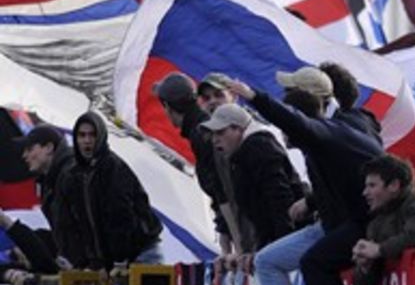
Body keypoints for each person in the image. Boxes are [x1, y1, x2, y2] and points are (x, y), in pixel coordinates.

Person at [226, 68, 383, 285]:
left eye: (290, 93)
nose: (284, 136)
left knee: (314, 263)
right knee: (266, 261)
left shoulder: (332, 130)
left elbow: (297, 123)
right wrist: (310, 202)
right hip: (332, 221)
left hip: (362, 222)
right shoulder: (334, 127)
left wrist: (254, 97)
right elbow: (336, 178)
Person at [60, 112, 163, 270]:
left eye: (92, 135)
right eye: (82, 135)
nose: (87, 141)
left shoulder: (113, 168)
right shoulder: (76, 175)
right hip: (111, 262)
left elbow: (121, 216)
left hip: (139, 254)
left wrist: (119, 258)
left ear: (100, 136)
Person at [154, 72, 243, 255]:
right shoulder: (201, 129)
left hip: (250, 229)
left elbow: (224, 192)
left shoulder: (202, 133)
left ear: (167, 107)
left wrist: (239, 249)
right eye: (207, 97)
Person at [200, 103, 302, 251]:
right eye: (213, 134)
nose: (215, 139)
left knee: (265, 265)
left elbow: (279, 198)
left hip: (291, 233)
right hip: (277, 236)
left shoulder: (258, 148)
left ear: (239, 129)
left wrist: (281, 246)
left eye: (220, 132)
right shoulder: (241, 154)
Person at [352, 155, 415, 285]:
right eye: (366, 186)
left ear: (394, 185)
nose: (365, 193)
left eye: (372, 185)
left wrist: (379, 249)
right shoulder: (376, 223)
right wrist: (365, 267)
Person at [15, 125, 75, 250]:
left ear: (48, 148)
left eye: (30, 149)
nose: (24, 155)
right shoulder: (47, 182)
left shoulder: (74, 175)